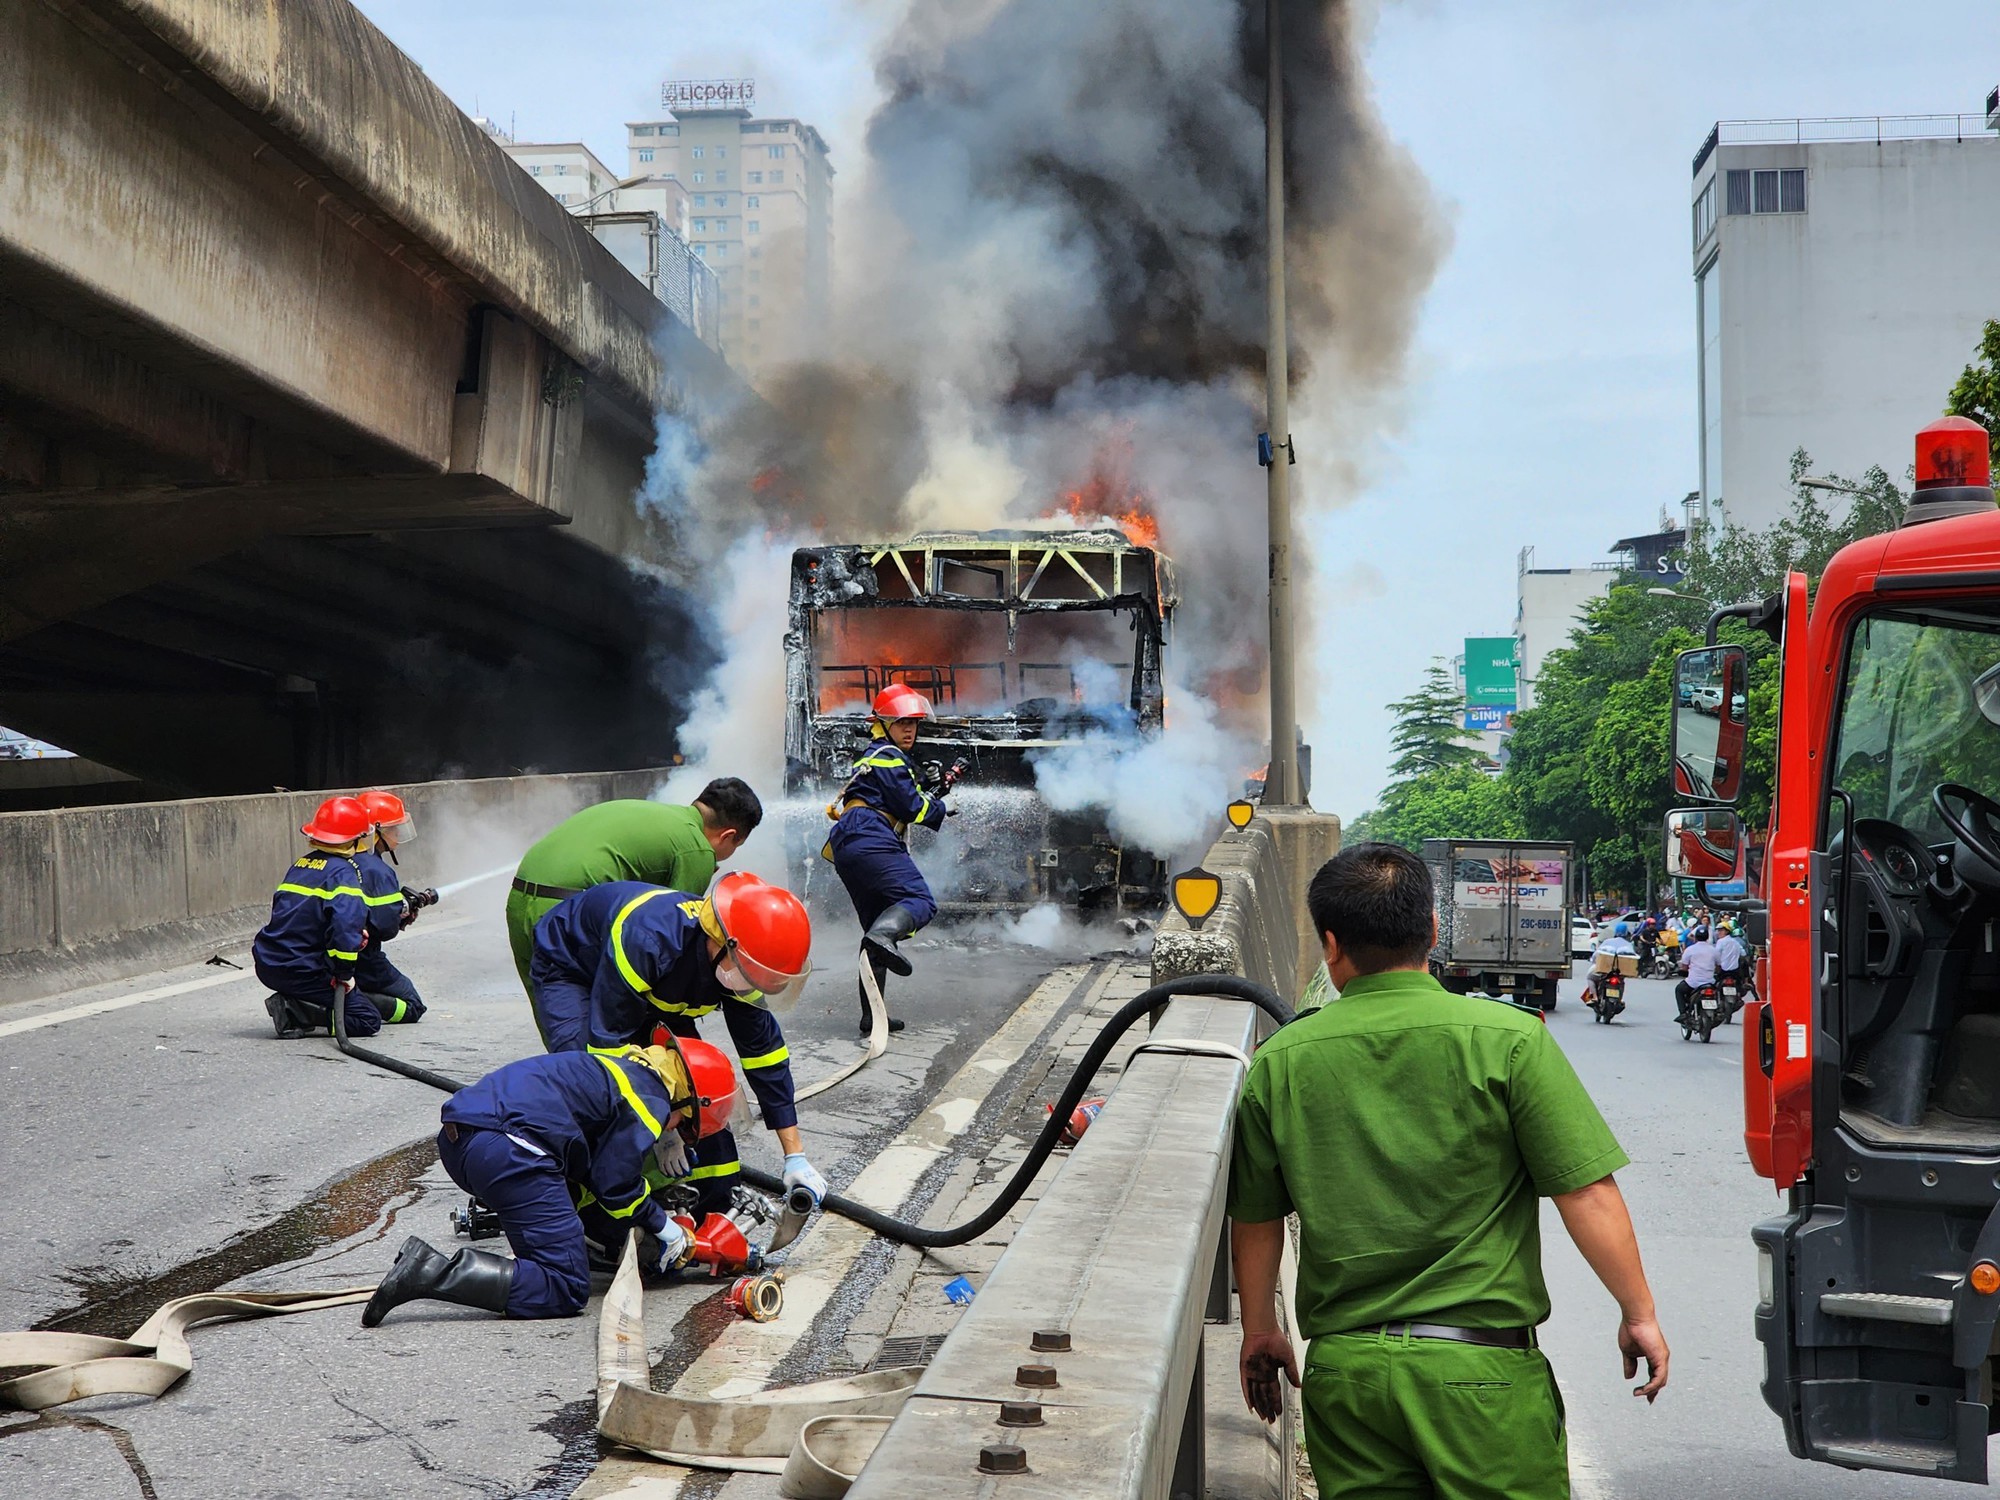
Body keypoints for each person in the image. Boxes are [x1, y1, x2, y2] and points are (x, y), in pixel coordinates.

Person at [1229, 843, 1668, 1499]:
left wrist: (1261, 1330)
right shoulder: (1510, 1039)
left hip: (1348, 1381)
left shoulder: (1280, 1060)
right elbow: (1587, 1193)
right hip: (1482, 1377)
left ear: (1329, 944)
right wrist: (1638, 1312)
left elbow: (1257, 1217)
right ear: (1433, 930)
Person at [360, 1034, 738, 1325]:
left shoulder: (618, 1068)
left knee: (566, 1211)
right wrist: (666, 1227)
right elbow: (614, 1184)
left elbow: (590, 1174)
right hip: (510, 1149)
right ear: (688, 1102)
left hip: (463, 1144)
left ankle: (507, 1264)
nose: (675, 1133)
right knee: (566, 1286)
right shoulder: (649, 1101)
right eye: (684, 1126)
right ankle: (429, 1271)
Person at [528, 871, 824, 1216]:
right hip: (573, 967)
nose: (747, 987)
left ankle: (712, 1201)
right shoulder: (650, 940)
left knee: (695, 1087)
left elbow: (765, 1057)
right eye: (748, 975)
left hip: (657, 983)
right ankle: (587, 1207)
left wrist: (795, 1156)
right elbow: (608, 1051)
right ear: (724, 943)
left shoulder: (743, 962)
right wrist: (661, 1129)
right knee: (589, 1082)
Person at [504, 780, 764, 993]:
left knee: (557, 1013)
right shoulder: (696, 848)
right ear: (728, 836)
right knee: (598, 1020)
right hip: (567, 914)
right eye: (735, 847)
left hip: (521, 900)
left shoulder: (662, 817)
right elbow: (677, 939)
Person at [824, 684, 953, 1035]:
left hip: (849, 842)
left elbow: (897, 798)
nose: (909, 729)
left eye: (913, 722)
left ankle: (872, 1016)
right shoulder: (889, 756)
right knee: (920, 902)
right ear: (881, 724)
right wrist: (943, 806)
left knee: (875, 928)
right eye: (900, 723)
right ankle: (882, 939)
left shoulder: (874, 757)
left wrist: (927, 787)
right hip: (870, 835)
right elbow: (914, 809)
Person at [253, 796, 383, 1040]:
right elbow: (344, 929)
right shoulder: (344, 873)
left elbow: (298, 916)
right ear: (355, 838)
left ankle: (297, 1000)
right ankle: (297, 1012)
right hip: (301, 969)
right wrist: (344, 975)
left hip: (269, 962)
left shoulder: (300, 865)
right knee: (366, 1019)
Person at [351, 789, 427, 1025]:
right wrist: (398, 915)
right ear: (375, 830)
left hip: (328, 955)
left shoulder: (339, 859)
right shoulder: (377, 870)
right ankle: (350, 1001)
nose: (397, 834)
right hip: (363, 959)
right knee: (413, 1006)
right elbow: (384, 928)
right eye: (393, 828)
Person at [1581, 921, 1638, 1005]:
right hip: (1620, 972)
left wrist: (1593, 959)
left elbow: (1597, 954)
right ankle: (1619, 999)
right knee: (1621, 982)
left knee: (1590, 977)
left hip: (1605, 969)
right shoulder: (1628, 945)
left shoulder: (1608, 941)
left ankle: (1595, 997)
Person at [1676, 925, 1719, 1020]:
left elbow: (1684, 967)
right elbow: (1718, 966)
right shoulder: (1714, 950)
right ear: (1707, 937)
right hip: (1709, 982)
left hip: (1693, 983)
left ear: (1695, 937)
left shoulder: (1690, 950)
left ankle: (1683, 1013)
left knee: (1679, 990)